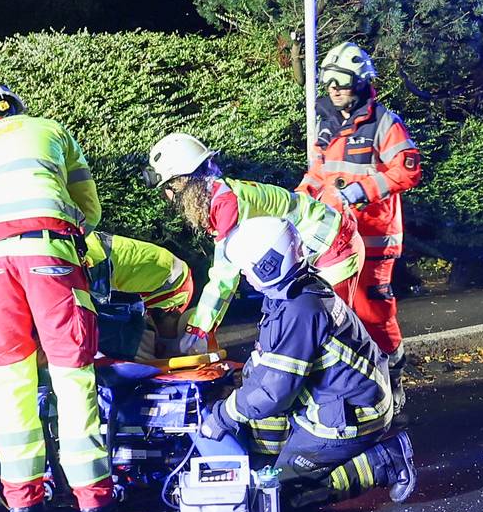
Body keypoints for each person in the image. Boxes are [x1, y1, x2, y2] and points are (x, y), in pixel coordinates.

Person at [0, 81, 112, 512]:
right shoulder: (51, 130)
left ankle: (23, 502)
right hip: (48, 253)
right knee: (71, 372)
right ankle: (93, 500)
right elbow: (89, 209)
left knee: (7, 379)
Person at [193, 216, 416, 512]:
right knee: (260, 435)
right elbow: (269, 366)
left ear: (268, 265)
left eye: (247, 266)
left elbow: (273, 391)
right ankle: (279, 462)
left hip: (350, 416)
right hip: (345, 397)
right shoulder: (292, 292)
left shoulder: (300, 311)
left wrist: (222, 417)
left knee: (275, 498)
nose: (244, 273)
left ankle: (385, 461)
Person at [148, 132, 361, 351]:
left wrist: (199, 327)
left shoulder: (225, 205)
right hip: (319, 243)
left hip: (331, 245)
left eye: (168, 188)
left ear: (182, 183)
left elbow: (224, 276)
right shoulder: (217, 193)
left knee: (329, 333)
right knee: (306, 330)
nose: (168, 197)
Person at [301, 42, 422, 355]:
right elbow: (318, 173)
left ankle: (392, 368)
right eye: (328, 80)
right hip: (336, 239)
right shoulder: (327, 123)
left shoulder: (384, 123)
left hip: (373, 236)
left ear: (359, 81)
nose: (333, 87)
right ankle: (355, 373)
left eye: (341, 80)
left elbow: (407, 171)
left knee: (372, 312)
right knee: (337, 311)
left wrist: (362, 191)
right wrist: (298, 201)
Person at [83, 231, 196, 362]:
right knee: (115, 335)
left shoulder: (179, 283)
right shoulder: (175, 292)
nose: (160, 338)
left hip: (89, 248)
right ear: (174, 312)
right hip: (95, 263)